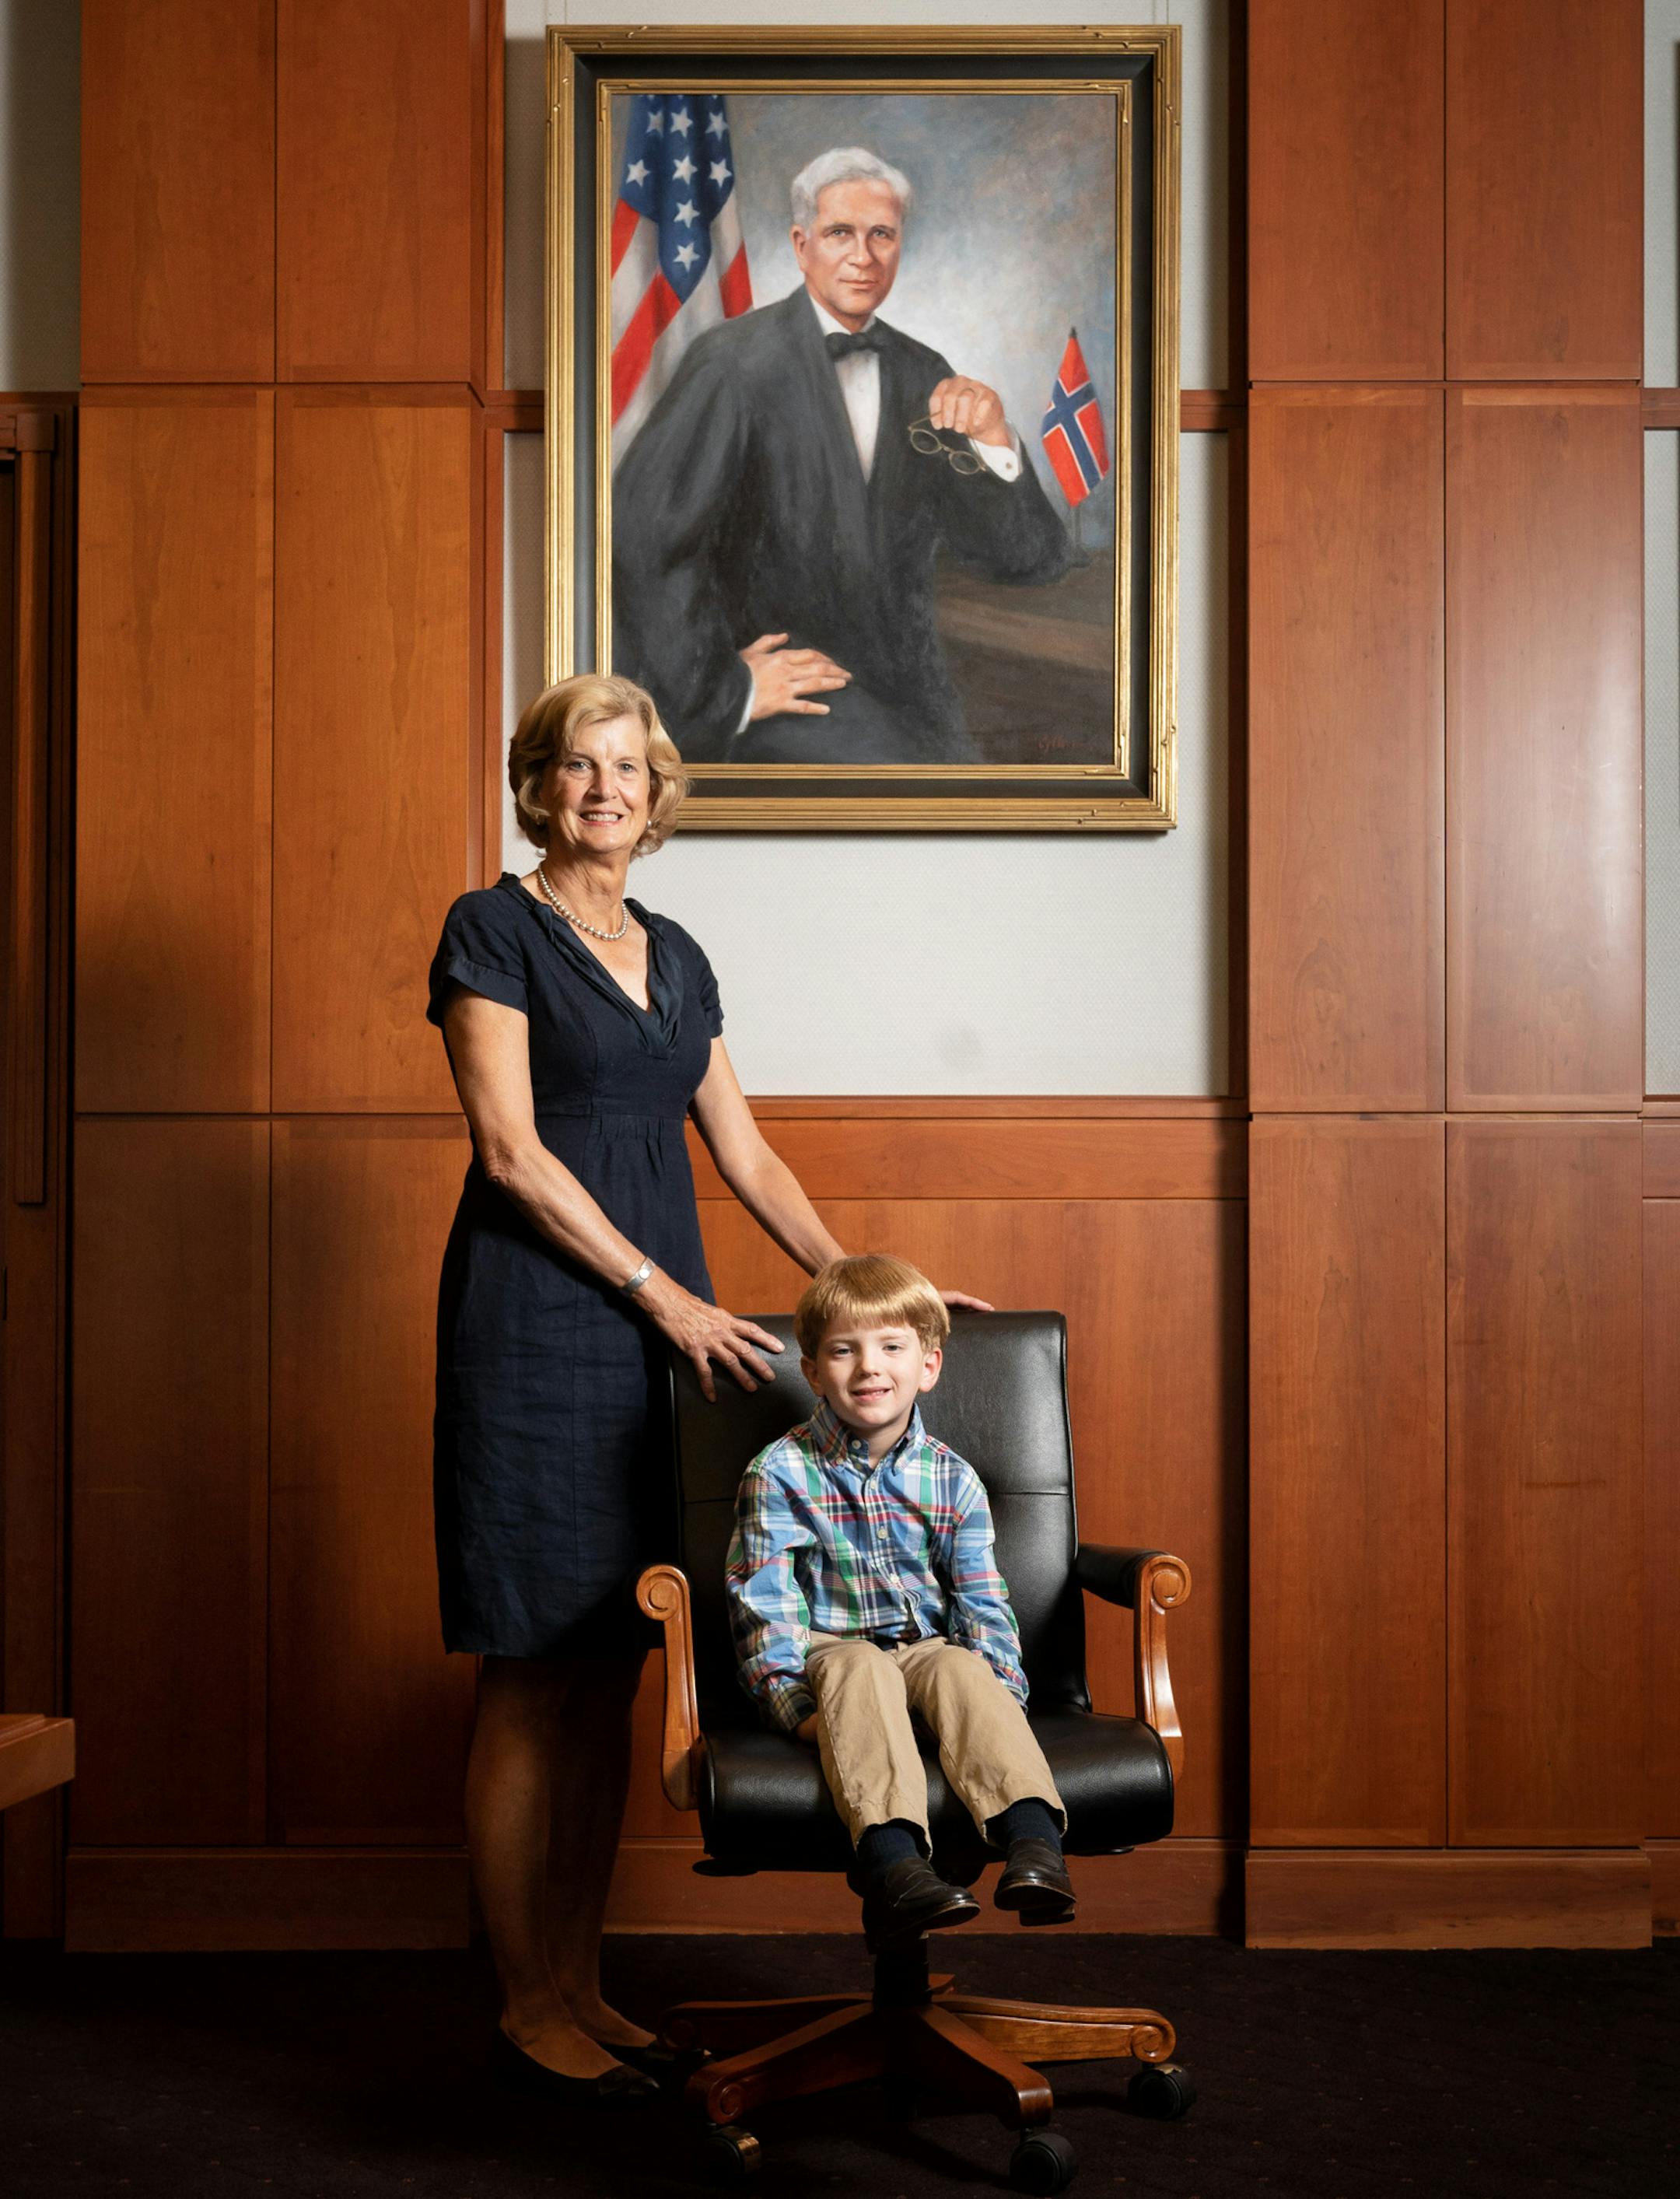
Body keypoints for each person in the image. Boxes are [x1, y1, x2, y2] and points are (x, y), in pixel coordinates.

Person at [426, 675, 986, 2104]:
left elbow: (746, 1151)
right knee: (530, 1668)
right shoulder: (492, 927)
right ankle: (524, 2001)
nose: (603, 788)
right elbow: (510, 1153)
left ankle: (581, 1983)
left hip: (662, 1345)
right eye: (576, 764)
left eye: (627, 766)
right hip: (536, 1328)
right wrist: (666, 1294)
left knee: (617, 1659)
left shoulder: (676, 952)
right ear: (537, 785)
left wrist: (875, 1288)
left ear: (658, 790)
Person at [612, 146, 1071, 766]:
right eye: (840, 234)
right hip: (782, 713)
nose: (864, 256)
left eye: (882, 234)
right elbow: (644, 543)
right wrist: (726, 690)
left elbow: (1029, 559)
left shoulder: (923, 372)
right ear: (802, 247)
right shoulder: (732, 365)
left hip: (914, 706)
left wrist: (995, 440)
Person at [725, 1254, 1075, 1952]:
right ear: (812, 1370)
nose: (869, 1367)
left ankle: (1034, 1846)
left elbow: (982, 1600)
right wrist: (795, 1710)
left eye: (891, 1346)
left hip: (925, 1653)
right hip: (834, 1655)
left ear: (928, 1365)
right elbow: (764, 1607)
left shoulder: (952, 1477)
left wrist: (997, 1694)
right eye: (843, 1350)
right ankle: (895, 1865)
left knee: (963, 1666)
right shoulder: (779, 1472)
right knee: (860, 1665)